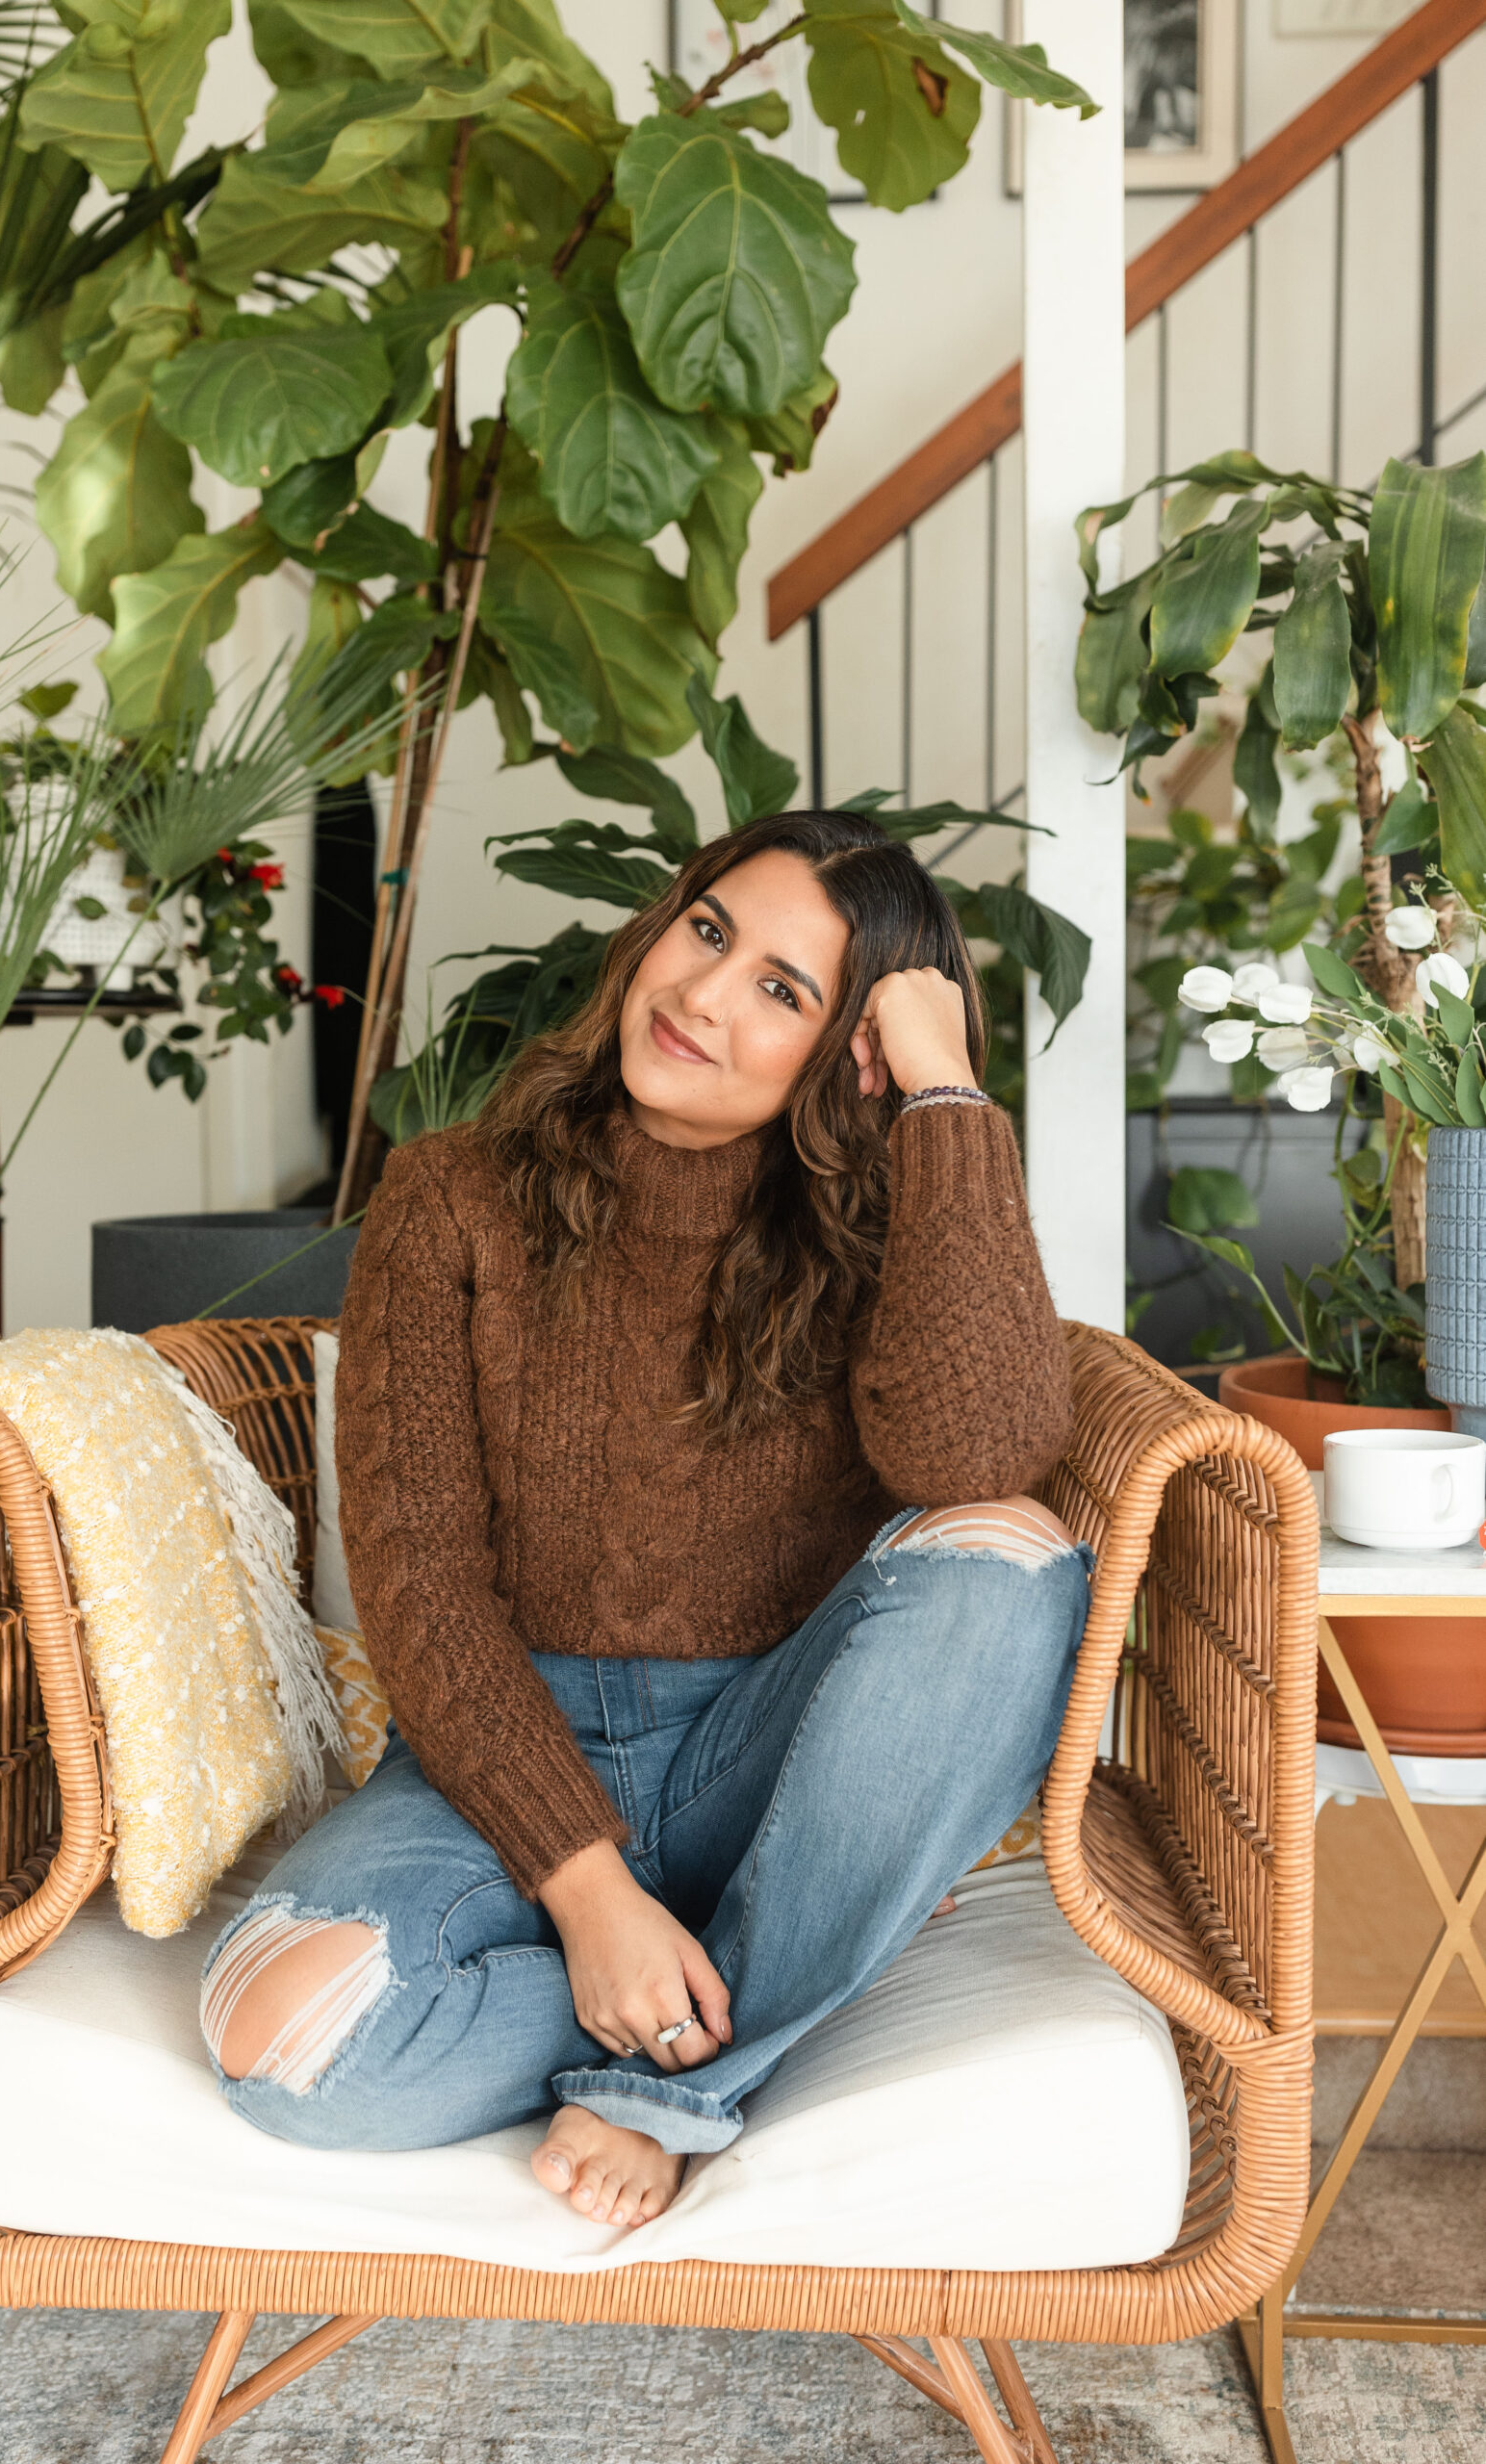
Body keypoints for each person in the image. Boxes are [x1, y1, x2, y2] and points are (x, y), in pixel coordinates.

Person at [200, 811, 1090, 2232]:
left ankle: (665, 2088)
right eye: (711, 932)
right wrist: (592, 1898)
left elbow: (978, 1453)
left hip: (772, 1750)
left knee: (1011, 1558)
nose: (704, 995)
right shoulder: (449, 1201)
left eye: (785, 992)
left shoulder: (882, 1238)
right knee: (283, 2037)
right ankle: (778, 1963)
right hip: (505, 1749)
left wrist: (941, 1087)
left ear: (841, 1057)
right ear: (662, 923)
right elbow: (421, 1584)